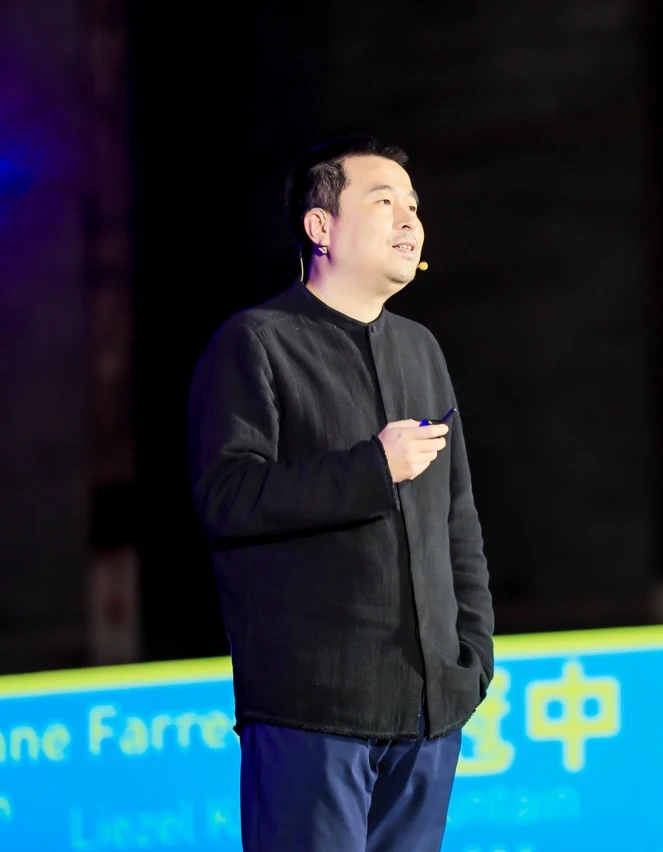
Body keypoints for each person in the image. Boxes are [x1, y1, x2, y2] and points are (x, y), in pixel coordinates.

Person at [187, 135, 494, 852]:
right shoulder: (257, 342)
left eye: (413, 205)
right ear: (319, 225)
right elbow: (228, 496)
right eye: (384, 202)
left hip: (428, 709)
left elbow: (458, 518)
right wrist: (372, 469)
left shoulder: (420, 348)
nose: (409, 220)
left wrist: (470, 656)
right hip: (313, 708)